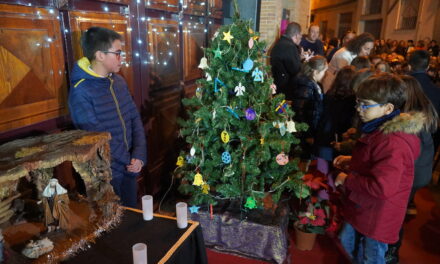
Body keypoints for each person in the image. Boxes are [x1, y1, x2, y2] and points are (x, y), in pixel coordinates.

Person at [334, 73, 423, 264]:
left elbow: (383, 187)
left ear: (388, 108)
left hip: (379, 214)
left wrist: (346, 179)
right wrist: (352, 160)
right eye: (358, 102)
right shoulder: (379, 129)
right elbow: (377, 162)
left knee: (371, 257)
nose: (359, 109)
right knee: (349, 245)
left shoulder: (393, 142)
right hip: (367, 207)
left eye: (365, 104)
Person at [68, 27, 147, 208]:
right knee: (114, 225)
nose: (122, 58)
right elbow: (97, 137)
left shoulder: (118, 82)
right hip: (108, 173)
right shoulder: (81, 91)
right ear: (100, 55)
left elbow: (135, 118)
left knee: (131, 215)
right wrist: (129, 161)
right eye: (117, 53)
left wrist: (139, 155)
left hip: (130, 166)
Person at [384, 75, 438, 264]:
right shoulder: (423, 109)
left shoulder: (409, 120)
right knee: (400, 210)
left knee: (394, 213)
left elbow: (401, 155)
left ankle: (391, 251)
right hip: (421, 172)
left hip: (412, 173)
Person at [316, 66, 356, 161]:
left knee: (323, 167)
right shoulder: (352, 99)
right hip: (342, 136)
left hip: (326, 134)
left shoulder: (330, 93)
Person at [292, 56, 328, 160]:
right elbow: (300, 111)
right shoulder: (306, 86)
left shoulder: (314, 84)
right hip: (307, 131)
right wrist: (307, 134)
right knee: (305, 157)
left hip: (312, 128)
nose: (325, 74)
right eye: (324, 71)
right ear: (316, 72)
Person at [409, 50, 440, 149]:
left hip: (400, 137)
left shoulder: (399, 84)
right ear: (427, 67)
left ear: (409, 65)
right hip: (426, 140)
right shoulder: (436, 90)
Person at [270, 22, 303, 100]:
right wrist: (301, 60)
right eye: (301, 36)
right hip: (286, 88)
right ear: (297, 35)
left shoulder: (279, 43)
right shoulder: (290, 47)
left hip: (277, 84)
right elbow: (295, 69)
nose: (301, 38)